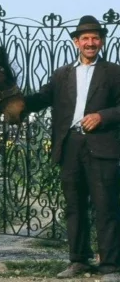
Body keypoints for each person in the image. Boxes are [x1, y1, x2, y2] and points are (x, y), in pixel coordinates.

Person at [23, 15, 120, 282]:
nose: (91, 43)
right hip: (71, 147)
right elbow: (40, 99)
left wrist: (103, 116)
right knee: (75, 206)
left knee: (105, 206)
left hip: (102, 147)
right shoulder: (62, 74)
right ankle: (78, 260)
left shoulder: (114, 72)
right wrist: (14, 104)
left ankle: (110, 266)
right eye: (85, 38)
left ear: (101, 42)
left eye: (95, 38)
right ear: (76, 42)